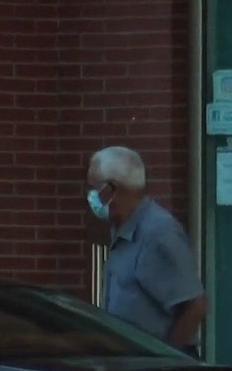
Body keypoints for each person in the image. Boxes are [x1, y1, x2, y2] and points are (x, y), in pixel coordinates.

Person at [86, 146, 208, 359]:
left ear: (113, 189)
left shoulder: (157, 233)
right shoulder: (122, 229)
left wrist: (165, 360)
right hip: (130, 363)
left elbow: (195, 307)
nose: (91, 196)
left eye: (95, 188)